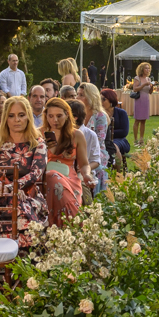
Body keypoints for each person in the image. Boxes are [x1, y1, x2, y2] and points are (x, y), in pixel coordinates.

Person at [0, 95, 48, 251]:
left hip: (30, 197)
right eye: (11, 116)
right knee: (15, 207)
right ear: (6, 119)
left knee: (18, 207)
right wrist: (4, 189)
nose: (16, 120)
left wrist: (12, 188)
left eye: (21, 115)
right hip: (0, 201)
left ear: (28, 117)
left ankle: (7, 266)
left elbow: (36, 173)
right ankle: (28, 262)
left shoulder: (37, 143)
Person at [41, 98, 94, 226]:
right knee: (51, 176)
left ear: (67, 115)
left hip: (69, 178)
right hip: (44, 178)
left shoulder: (76, 135)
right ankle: (76, 224)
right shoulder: (38, 134)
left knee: (53, 178)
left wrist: (87, 175)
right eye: (51, 116)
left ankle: (72, 228)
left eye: (59, 116)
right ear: (46, 116)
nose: (55, 120)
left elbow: (84, 164)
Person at [69, 99, 100, 205]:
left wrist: (84, 168)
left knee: (81, 181)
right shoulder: (62, 133)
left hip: (82, 171)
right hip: (64, 169)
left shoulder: (90, 135)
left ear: (74, 118)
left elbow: (96, 161)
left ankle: (88, 211)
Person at [81, 83, 110, 191]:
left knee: (94, 164)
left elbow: (99, 140)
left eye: (81, 95)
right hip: (79, 150)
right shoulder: (77, 114)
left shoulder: (100, 116)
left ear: (90, 97)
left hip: (96, 152)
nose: (77, 97)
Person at [102, 88, 131, 164]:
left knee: (113, 146)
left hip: (120, 140)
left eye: (103, 99)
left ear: (111, 99)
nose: (100, 102)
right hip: (103, 140)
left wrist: (108, 134)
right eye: (99, 99)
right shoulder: (99, 114)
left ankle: (117, 173)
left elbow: (124, 132)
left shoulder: (121, 113)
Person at [131, 62, 154, 145]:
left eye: (149, 68)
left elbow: (150, 92)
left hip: (146, 100)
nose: (148, 70)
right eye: (146, 68)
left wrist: (152, 87)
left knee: (143, 121)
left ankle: (141, 139)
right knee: (137, 120)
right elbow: (135, 89)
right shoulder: (137, 78)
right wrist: (144, 84)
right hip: (139, 100)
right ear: (142, 69)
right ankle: (135, 140)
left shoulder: (148, 79)